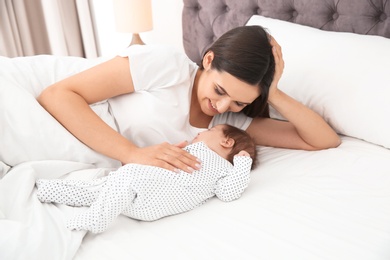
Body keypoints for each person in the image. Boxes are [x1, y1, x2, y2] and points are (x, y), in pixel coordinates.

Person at [37, 25, 340, 174]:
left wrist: (272, 92)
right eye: (220, 91)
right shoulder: (168, 66)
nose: (221, 107)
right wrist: (131, 153)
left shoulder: (228, 126)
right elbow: (58, 94)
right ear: (209, 60)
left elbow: (324, 140)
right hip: (46, 106)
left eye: (239, 102)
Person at [36, 124, 256, 233]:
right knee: (99, 188)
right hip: (138, 188)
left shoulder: (226, 169)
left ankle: (98, 219)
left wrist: (242, 164)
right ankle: (47, 190)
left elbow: (229, 193)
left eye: (211, 129)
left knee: (123, 180)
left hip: (152, 198)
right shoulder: (192, 149)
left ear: (227, 142)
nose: (199, 133)